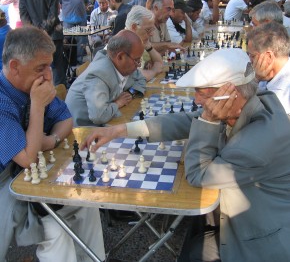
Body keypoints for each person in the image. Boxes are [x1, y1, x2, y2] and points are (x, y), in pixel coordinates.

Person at [81, 48, 290, 262]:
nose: (197, 101)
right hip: (229, 212)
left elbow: (198, 173)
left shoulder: (256, 144)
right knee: (191, 238)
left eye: (203, 93)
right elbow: (185, 120)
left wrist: (208, 120)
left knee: (193, 253)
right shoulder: (254, 100)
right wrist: (117, 130)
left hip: (256, 237)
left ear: (232, 93)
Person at [0, 26, 105, 262]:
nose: (49, 75)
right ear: (15, 66)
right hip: (5, 184)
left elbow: (67, 119)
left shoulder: (32, 83)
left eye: (49, 65)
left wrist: (51, 140)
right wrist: (37, 107)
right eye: (40, 68)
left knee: (86, 204)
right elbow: (27, 157)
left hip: (27, 174)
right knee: (55, 231)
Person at [65, 30, 146, 127]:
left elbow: (141, 79)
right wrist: (117, 103)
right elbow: (98, 116)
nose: (139, 65)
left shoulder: (122, 65)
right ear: (120, 57)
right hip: (84, 131)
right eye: (137, 60)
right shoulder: (98, 75)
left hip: (105, 124)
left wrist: (130, 93)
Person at [19, 0, 67, 87]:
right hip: (53, 34)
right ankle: (59, 97)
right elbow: (53, 15)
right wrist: (43, 31)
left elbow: (24, 16)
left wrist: (35, 32)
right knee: (57, 66)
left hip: (34, 37)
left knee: (39, 68)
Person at [247, 21, 290, 114]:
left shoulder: (281, 96)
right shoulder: (267, 72)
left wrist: (255, 80)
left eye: (252, 56)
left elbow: (251, 113)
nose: (249, 60)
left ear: (269, 56)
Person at [125, 5, 163, 81]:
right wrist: (153, 71)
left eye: (152, 29)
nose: (152, 34)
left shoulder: (139, 41)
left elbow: (159, 63)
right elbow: (137, 75)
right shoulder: (123, 43)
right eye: (148, 30)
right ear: (134, 27)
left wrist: (148, 46)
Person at [60, 0, 89, 64]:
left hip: (81, 18)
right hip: (68, 19)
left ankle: (79, 59)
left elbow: (86, 1)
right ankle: (70, 59)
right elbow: (59, 3)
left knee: (81, 40)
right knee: (68, 40)